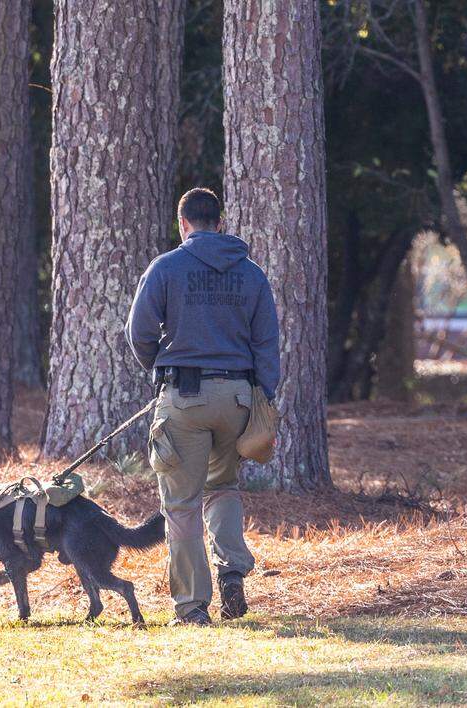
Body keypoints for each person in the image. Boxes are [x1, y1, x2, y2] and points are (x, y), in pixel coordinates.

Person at [126, 188, 280, 626]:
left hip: (185, 398)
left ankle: (193, 607)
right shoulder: (251, 274)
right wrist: (260, 397)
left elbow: (138, 332)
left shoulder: (166, 267)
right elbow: (267, 343)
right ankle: (232, 572)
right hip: (237, 399)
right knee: (224, 488)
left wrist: (161, 370)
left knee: (181, 504)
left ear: (183, 224)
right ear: (220, 221)